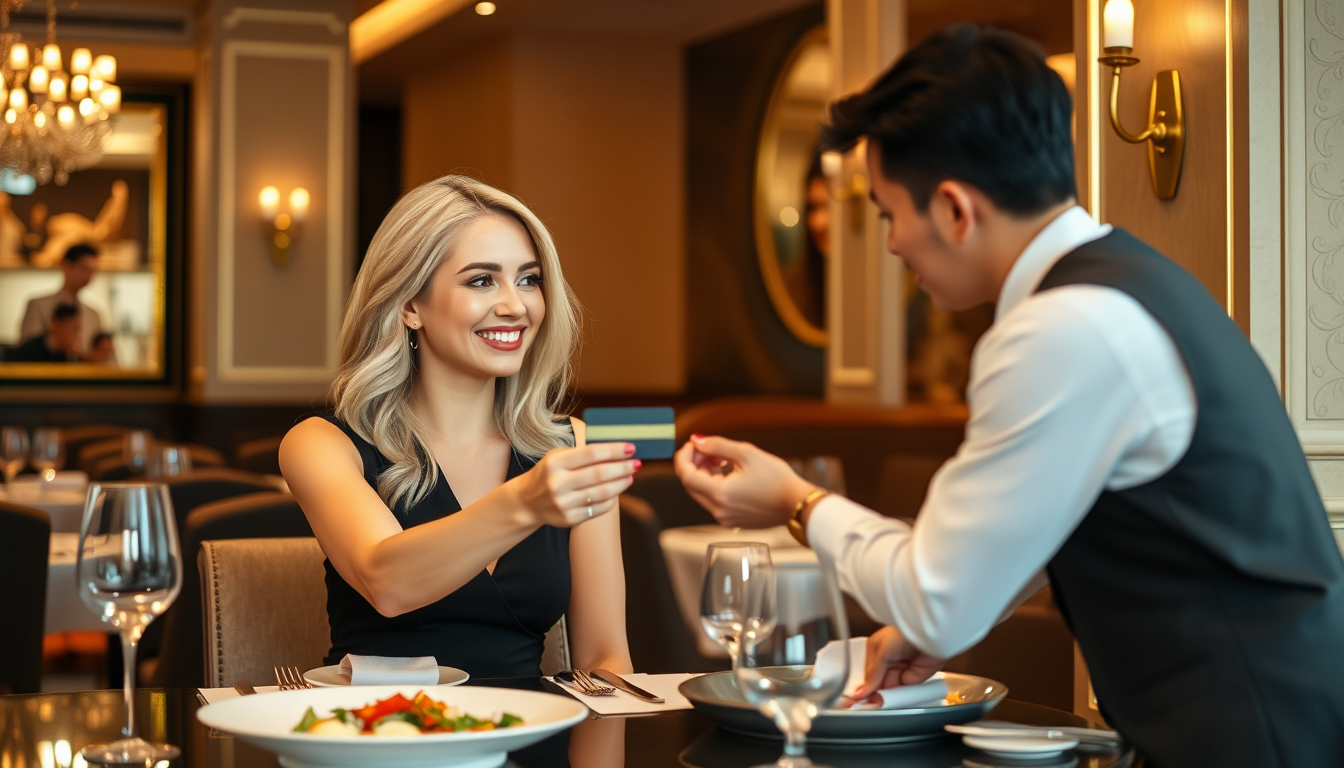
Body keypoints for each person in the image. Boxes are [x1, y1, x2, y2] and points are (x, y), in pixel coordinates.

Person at [675, 24, 1344, 768]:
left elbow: (937, 593)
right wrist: (929, 631)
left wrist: (797, 502)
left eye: (891, 212)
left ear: (957, 210)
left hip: (1253, 738)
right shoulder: (1126, 284)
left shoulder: (1061, 328)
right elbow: (1033, 529)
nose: (891, 244)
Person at [280, 175, 637, 684]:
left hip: (531, 742)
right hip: (381, 740)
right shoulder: (323, 444)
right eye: (481, 280)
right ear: (409, 305)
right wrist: (526, 503)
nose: (516, 305)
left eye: (529, 279)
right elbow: (388, 581)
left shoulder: (572, 445)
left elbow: (606, 660)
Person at [18, 242, 104, 355]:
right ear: (67, 266)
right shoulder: (39, 306)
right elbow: (26, 351)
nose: (88, 277)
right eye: (84, 269)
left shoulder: (93, 315)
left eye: (93, 272)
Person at [6, 302, 80, 362]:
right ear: (54, 325)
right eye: (73, 329)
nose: (77, 335)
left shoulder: (69, 357)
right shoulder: (31, 350)